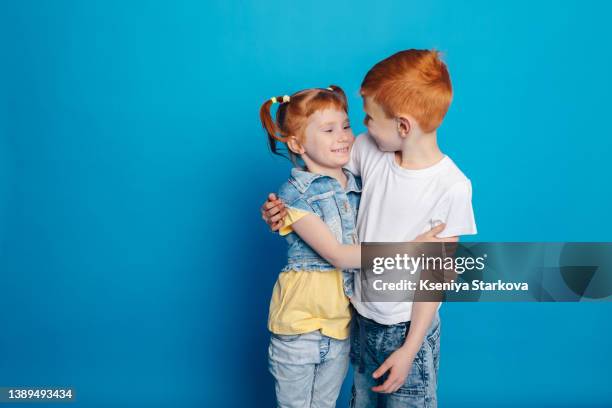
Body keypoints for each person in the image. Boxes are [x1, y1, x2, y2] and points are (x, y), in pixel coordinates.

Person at [262, 49, 477, 407]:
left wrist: (410, 349)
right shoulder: (370, 150)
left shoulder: (452, 186)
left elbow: (437, 276)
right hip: (359, 320)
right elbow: (321, 182)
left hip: (407, 329)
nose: (360, 127)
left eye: (369, 118)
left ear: (403, 126)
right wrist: (280, 212)